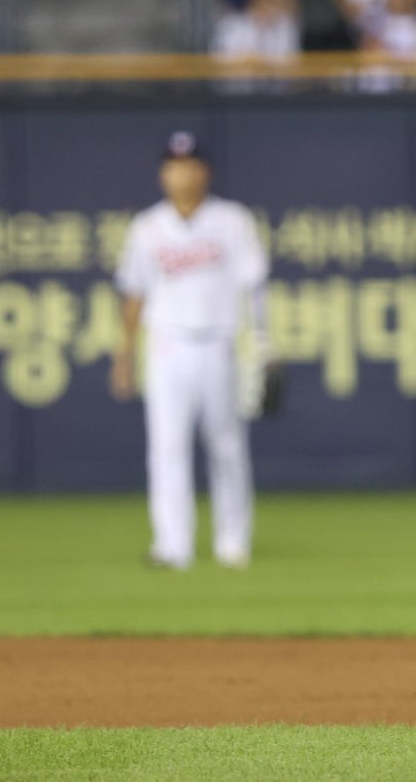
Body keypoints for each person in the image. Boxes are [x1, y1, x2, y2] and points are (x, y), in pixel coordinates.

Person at [112, 132, 269, 571]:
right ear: (164, 173)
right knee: (167, 447)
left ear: (205, 171)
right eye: (173, 165)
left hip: (220, 343)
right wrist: (125, 352)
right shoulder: (147, 227)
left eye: (189, 164)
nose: (181, 173)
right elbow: (134, 293)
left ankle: (233, 543)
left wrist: (261, 340)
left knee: (226, 446)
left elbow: (253, 285)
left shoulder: (233, 220)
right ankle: (172, 545)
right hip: (166, 344)